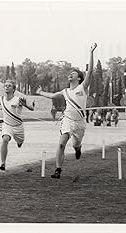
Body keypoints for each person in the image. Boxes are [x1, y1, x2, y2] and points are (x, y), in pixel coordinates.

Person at [36, 43, 97, 179]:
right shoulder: (65, 91)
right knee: (61, 143)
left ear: (79, 78)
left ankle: (78, 148)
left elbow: (91, 71)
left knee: (76, 144)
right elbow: (52, 95)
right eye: (69, 74)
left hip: (80, 123)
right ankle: (58, 170)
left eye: (73, 73)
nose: (70, 75)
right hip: (67, 121)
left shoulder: (83, 87)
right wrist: (40, 92)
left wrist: (91, 52)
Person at [0, 80, 34, 171]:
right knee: (5, 140)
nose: (7, 87)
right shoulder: (2, 99)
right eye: (5, 86)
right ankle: (3, 163)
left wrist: (26, 105)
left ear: (13, 89)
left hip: (18, 127)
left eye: (9, 86)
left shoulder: (18, 99)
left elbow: (31, 108)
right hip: (7, 125)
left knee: (20, 141)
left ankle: (19, 142)